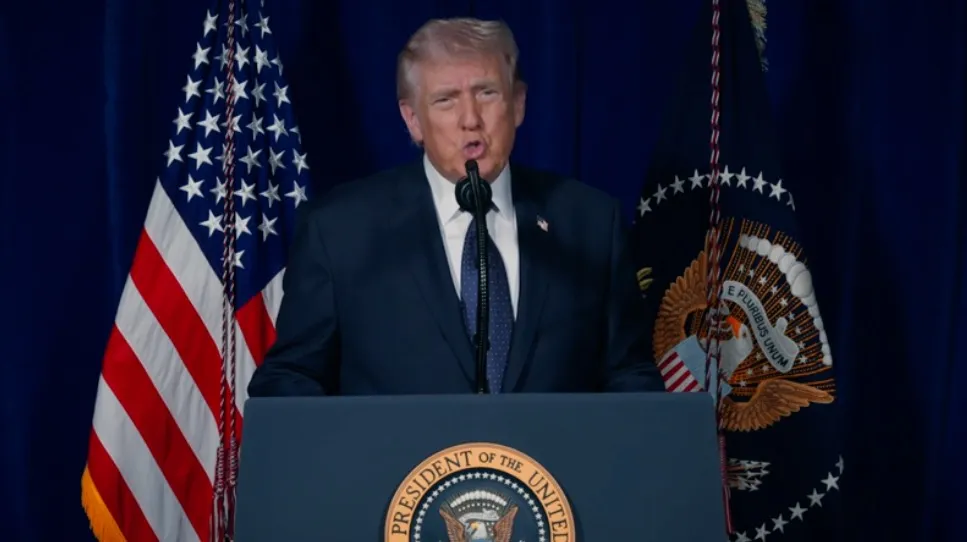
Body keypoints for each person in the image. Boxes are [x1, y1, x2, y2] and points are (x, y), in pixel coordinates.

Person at [247, 17, 664, 396]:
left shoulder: (589, 223)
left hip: (556, 477)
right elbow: (292, 379)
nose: (471, 119)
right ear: (412, 120)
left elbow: (629, 375)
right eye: (445, 100)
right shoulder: (341, 231)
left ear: (518, 104)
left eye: (487, 93)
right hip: (392, 477)